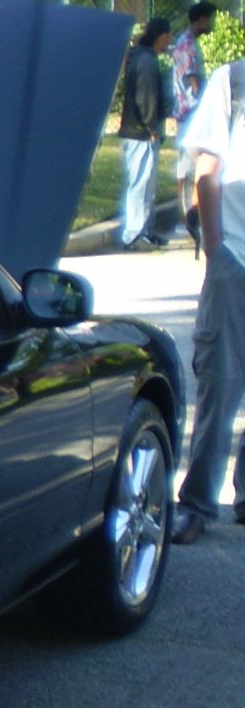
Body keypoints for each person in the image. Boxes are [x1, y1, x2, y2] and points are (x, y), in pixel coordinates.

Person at [172, 58, 245, 544]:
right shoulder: (233, 81)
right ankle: (197, 504)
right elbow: (207, 172)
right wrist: (218, 251)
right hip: (236, 257)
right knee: (220, 384)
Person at [120, 18, 172, 251]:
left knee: (145, 185)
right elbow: (147, 97)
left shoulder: (140, 57)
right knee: (141, 185)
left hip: (137, 131)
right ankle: (134, 233)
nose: (168, 41)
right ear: (161, 36)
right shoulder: (147, 61)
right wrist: (152, 128)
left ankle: (145, 231)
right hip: (141, 133)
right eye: (168, 36)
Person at [171, 4, 218, 255]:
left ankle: (188, 219)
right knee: (189, 169)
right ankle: (187, 220)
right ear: (200, 20)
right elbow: (194, 83)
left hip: (188, 114)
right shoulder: (188, 46)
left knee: (188, 168)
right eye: (210, 19)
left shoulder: (184, 42)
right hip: (191, 114)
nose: (212, 24)